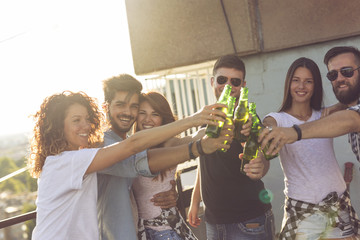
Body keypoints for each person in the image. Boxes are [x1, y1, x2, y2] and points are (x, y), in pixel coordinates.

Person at [28, 91, 232, 240]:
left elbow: (142, 162)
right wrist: (193, 121)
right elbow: (132, 148)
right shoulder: (66, 162)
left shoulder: (81, 156)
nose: (86, 126)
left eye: (87, 119)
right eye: (76, 120)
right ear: (57, 126)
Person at [97, 74, 231, 240]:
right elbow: (141, 161)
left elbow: (191, 138)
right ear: (105, 107)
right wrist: (197, 140)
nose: (128, 112)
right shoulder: (103, 146)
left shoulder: (135, 143)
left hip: (157, 231)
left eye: (133, 106)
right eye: (120, 105)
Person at [262, 57, 358, 240]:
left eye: (308, 81)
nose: (301, 86)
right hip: (304, 215)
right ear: (288, 83)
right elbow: (267, 125)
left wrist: (338, 105)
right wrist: (266, 129)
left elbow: (351, 102)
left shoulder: (325, 115)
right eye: (296, 80)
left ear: (316, 86)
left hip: (339, 208)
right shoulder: (279, 119)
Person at [187, 54, 275, 240]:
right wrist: (195, 201)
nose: (228, 86)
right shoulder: (208, 118)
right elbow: (205, 161)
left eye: (235, 81)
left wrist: (261, 164)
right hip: (213, 222)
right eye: (222, 79)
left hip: (247, 222)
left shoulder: (246, 119)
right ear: (212, 81)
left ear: (242, 85)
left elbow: (262, 162)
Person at [259, 46, 360, 166]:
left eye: (347, 71)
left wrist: (294, 132)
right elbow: (269, 125)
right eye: (333, 75)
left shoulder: (349, 115)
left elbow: (352, 119)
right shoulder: (337, 110)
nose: (340, 79)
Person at [132, 91, 198, 240]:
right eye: (142, 113)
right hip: (143, 232)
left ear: (163, 118)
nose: (147, 119)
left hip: (166, 232)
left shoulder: (168, 144)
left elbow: (195, 138)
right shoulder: (131, 147)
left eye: (155, 114)